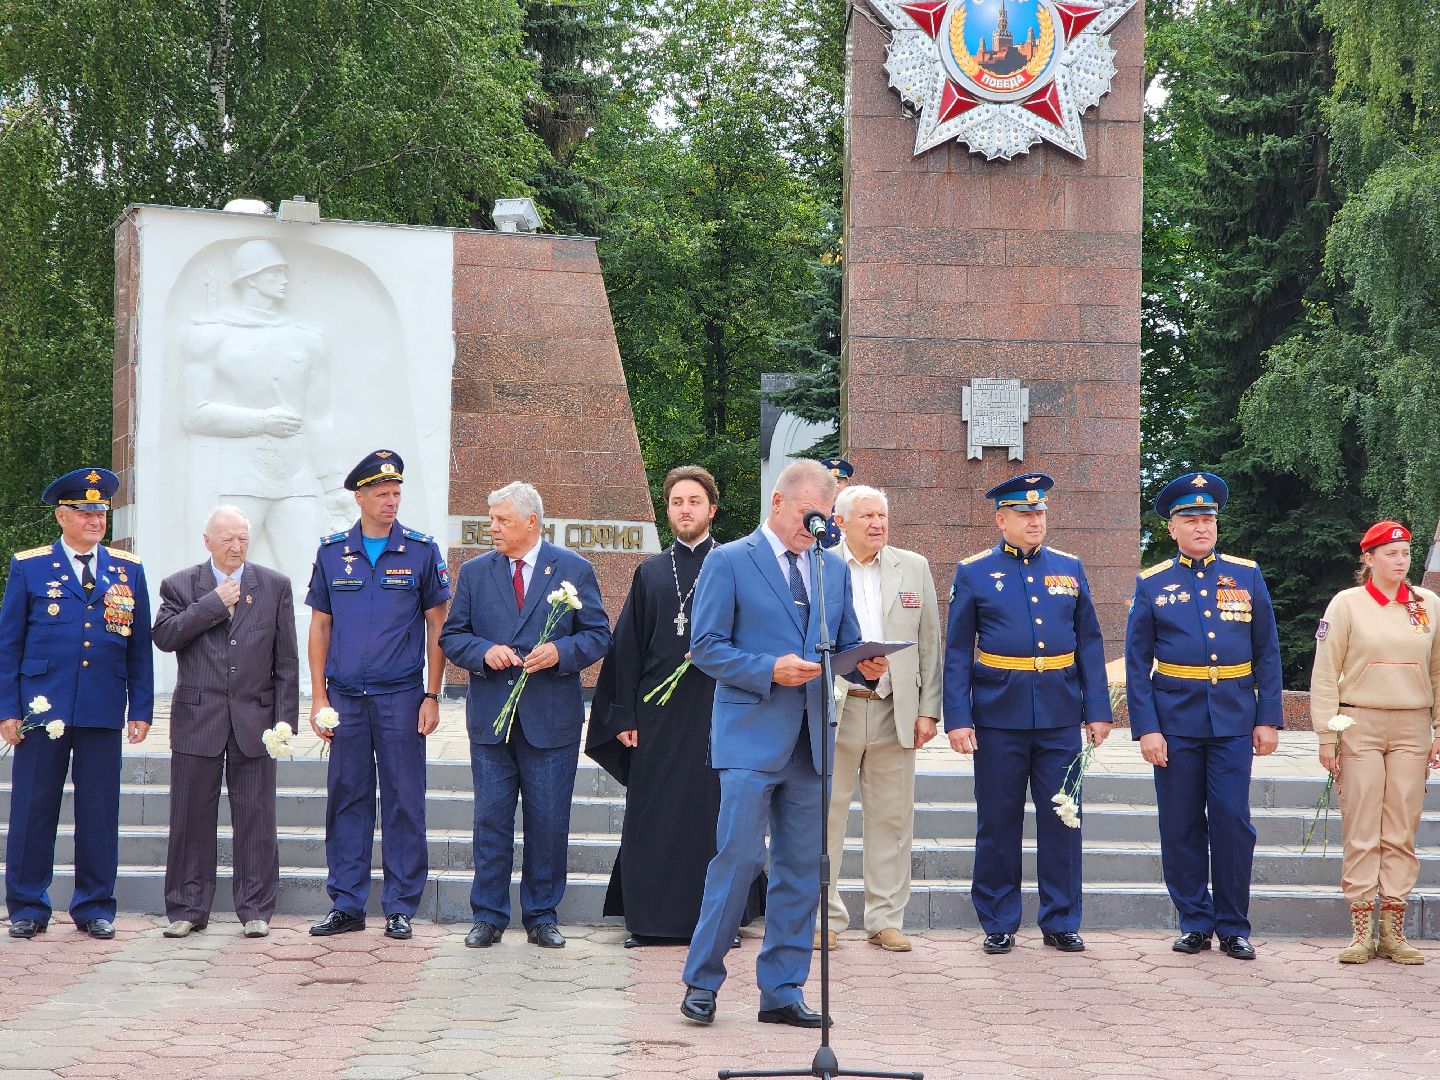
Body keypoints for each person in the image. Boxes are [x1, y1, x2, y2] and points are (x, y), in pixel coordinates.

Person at [680, 458, 883, 1030]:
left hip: (812, 743)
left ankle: (782, 990)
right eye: (807, 514)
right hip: (750, 738)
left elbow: (843, 645)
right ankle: (702, 981)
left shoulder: (831, 568)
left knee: (801, 869)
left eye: (824, 518)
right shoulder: (729, 560)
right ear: (777, 502)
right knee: (739, 859)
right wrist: (769, 669)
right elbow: (706, 647)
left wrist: (864, 666)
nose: (815, 527)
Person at [587, 466, 763, 946]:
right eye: (677, 502)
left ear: (712, 509)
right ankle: (648, 920)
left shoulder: (736, 565)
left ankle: (719, 921)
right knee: (653, 812)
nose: (685, 510)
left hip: (718, 709)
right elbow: (627, 649)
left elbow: (753, 636)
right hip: (657, 716)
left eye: (694, 501)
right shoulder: (650, 572)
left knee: (712, 815)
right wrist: (623, 715)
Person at [943, 473, 1111, 955]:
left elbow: (1089, 643)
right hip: (998, 716)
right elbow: (958, 650)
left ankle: (1061, 919)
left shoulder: (1069, 567)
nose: (1035, 520)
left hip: (1059, 714)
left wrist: (1097, 710)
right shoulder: (974, 572)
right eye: (1024, 513)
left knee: (1064, 820)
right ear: (1002, 520)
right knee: (998, 821)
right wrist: (958, 717)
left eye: (1039, 512)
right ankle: (998, 920)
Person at [440, 481, 610, 950]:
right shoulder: (475, 572)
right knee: (490, 822)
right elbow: (453, 636)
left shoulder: (573, 569)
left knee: (549, 823)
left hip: (550, 721)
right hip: (492, 719)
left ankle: (542, 916)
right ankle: (488, 916)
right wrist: (482, 651)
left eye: (502, 520)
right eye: (491, 519)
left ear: (531, 522)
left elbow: (598, 635)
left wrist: (561, 652)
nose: (492, 527)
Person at [1125, 471, 1282, 960]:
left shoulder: (1246, 575)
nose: (1201, 527)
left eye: (1208, 519)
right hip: (1175, 721)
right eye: (1190, 520)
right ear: (1172, 528)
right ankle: (1194, 920)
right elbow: (1136, 663)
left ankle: (1234, 925)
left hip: (1234, 717)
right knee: (1180, 823)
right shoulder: (1153, 583)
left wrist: (1268, 717)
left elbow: (1268, 652)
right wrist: (1147, 728)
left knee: (1233, 820)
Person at [0, 468, 153, 940]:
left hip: (102, 704)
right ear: (62, 516)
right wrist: (8, 709)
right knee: (33, 808)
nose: (95, 520)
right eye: (85, 512)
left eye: (100, 512)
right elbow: (9, 644)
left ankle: (94, 906)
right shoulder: (30, 566)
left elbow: (139, 647)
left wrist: (141, 708)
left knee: (99, 811)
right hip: (42, 708)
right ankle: (28, 906)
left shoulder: (126, 569)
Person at [305, 450, 451, 941]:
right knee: (347, 799)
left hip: (401, 698)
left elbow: (438, 626)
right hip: (345, 699)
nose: (391, 501)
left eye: (396, 494)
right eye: (382, 494)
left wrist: (432, 694)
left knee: (405, 800)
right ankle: (346, 903)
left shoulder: (420, 551)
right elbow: (320, 627)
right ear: (360, 497)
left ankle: (400, 906)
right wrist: (318, 698)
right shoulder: (332, 553)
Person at [152, 506, 298, 939]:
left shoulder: (274, 585)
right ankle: (187, 908)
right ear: (208, 542)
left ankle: (255, 909)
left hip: (256, 721)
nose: (236, 547)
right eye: (227, 539)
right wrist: (213, 605)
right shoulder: (181, 585)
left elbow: (286, 662)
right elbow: (165, 637)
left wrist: (284, 724)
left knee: (256, 818)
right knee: (190, 817)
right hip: (198, 719)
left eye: (242, 539)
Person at [1310, 520, 1440, 965]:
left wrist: (1438, 729)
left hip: (1412, 725)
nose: (1400, 561)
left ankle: (1393, 931)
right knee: (1362, 825)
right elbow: (1325, 672)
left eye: (1405, 553)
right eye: (1390, 554)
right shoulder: (1347, 604)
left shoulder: (1428, 604)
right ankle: (1362, 931)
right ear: (1368, 559)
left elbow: (1438, 670)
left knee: (1401, 827)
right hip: (1359, 722)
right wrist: (1327, 735)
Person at [818, 483, 941, 953]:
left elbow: (929, 642)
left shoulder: (913, 567)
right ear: (840, 522)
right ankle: (824, 918)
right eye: (867, 516)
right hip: (838, 707)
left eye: (882, 516)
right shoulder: (820, 565)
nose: (877, 523)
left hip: (895, 708)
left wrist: (928, 710)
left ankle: (886, 919)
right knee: (826, 818)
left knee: (892, 819)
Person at [816, 458, 853, 549]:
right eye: (832, 482)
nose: (836, 486)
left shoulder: (852, 509)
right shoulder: (815, 508)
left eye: (839, 482)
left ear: (846, 485)